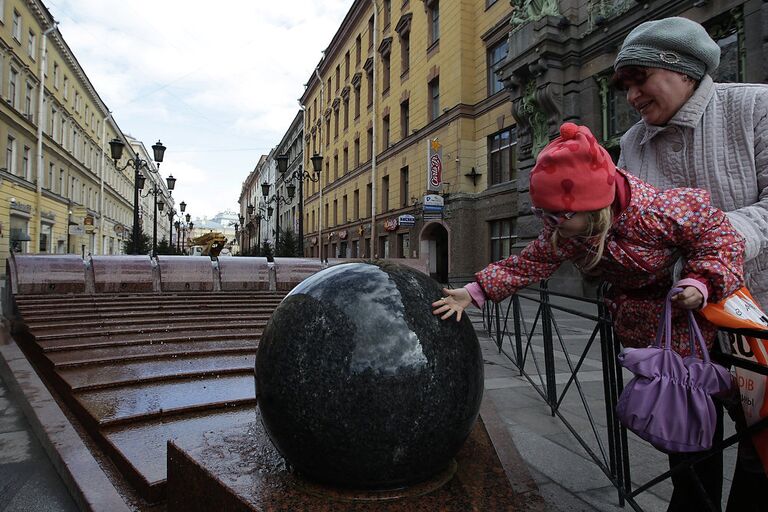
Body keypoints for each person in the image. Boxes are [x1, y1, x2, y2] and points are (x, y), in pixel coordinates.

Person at [432, 122, 745, 509]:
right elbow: (531, 262)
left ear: (594, 207)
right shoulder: (569, 225)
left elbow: (720, 237)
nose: (550, 225)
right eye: (544, 214)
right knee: (681, 435)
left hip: (696, 329)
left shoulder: (658, 212)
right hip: (649, 336)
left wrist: (701, 282)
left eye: (558, 216)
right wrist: (473, 292)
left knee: (701, 435)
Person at [612, 16, 768, 511]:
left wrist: (712, 244)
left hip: (757, 316)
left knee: (759, 454)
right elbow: (627, 224)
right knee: (688, 452)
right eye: (625, 87)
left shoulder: (756, 106)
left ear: (682, 69)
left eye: (640, 79)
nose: (632, 96)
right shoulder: (633, 142)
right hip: (679, 324)